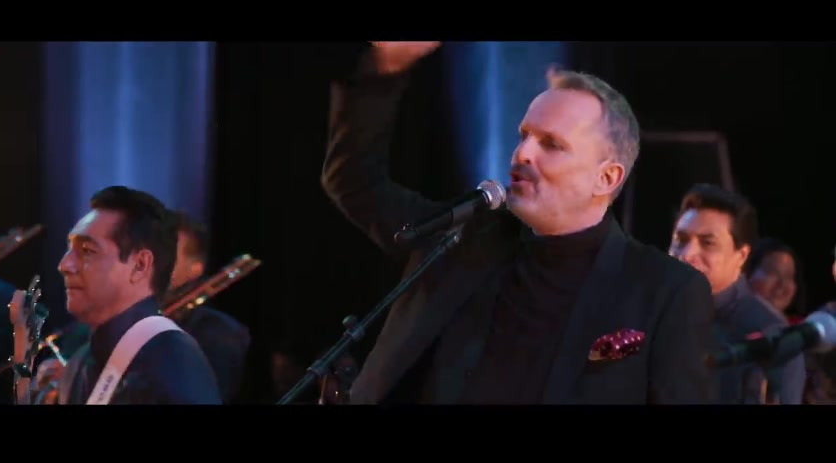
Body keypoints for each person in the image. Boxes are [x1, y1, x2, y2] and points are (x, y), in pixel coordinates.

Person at [320, 41, 716, 404]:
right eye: (523, 135)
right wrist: (382, 70)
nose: (523, 153)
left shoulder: (662, 290)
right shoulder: (462, 236)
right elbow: (354, 182)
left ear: (607, 177)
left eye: (551, 144)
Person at [11, 185, 222, 404]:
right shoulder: (79, 364)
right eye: (69, 249)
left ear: (140, 265)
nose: (64, 265)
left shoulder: (173, 361)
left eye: (87, 251)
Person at [668, 183, 806, 404]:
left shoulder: (769, 335)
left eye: (707, 243)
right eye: (680, 240)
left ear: (741, 256)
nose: (686, 254)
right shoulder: (653, 314)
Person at [744, 237, 832, 404]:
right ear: (746, 275)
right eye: (772, 273)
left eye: (789, 276)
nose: (782, 284)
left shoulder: (807, 336)